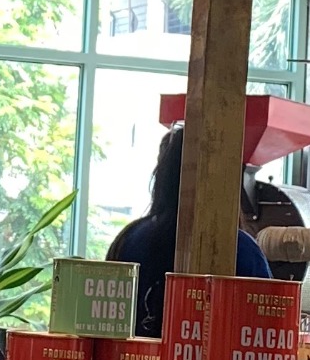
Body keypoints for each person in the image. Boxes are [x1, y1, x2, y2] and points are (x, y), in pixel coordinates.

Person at [105, 125, 268, 336]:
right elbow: (266, 332)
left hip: (134, 357)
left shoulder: (128, 240)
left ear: (162, 177)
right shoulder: (242, 249)